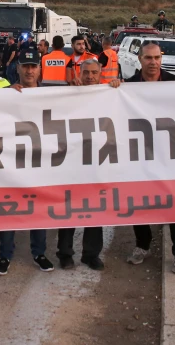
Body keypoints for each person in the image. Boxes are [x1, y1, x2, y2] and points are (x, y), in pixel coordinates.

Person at [125, 43, 175, 274]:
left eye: (156, 57)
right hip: (140, 155)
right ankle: (142, 246)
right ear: (140, 59)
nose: (153, 62)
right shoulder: (128, 87)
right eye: (148, 58)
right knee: (139, 203)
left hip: (170, 155)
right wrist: (113, 88)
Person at [0, 46, 56, 276]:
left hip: (40, 163)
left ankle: (39, 253)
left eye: (33, 67)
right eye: (25, 67)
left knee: (38, 211)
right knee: (9, 210)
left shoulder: (50, 95)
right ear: (17, 68)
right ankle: (5, 256)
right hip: (12, 163)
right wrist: (7, 94)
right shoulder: (7, 93)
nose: (29, 71)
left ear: (39, 70)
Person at [57, 59, 115, 271]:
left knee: (95, 208)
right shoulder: (70, 93)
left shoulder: (109, 94)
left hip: (97, 160)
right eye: (86, 72)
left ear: (101, 73)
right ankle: (65, 253)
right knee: (69, 208)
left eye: (94, 72)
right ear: (79, 73)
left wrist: (117, 88)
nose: (90, 76)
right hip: (71, 160)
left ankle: (91, 254)